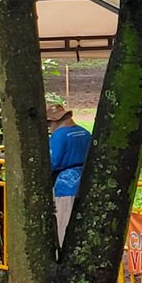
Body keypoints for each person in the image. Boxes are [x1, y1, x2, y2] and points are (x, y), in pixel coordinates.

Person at [47, 103, 91, 245]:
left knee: (63, 221)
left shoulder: (59, 136)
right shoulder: (85, 132)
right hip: (86, 180)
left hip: (65, 185)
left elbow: (52, 162)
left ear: (54, 121)